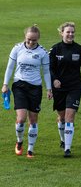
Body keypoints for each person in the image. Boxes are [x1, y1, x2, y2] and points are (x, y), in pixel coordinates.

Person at [2, 25, 53, 158]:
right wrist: (5, 84)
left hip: (35, 88)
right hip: (19, 85)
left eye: (34, 40)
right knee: (21, 118)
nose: (31, 42)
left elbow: (46, 72)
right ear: (25, 37)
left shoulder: (42, 52)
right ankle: (19, 141)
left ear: (38, 39)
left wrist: (49, 88)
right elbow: (10, 67)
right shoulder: (17, 48)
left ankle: (30, 150)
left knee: (33, 119)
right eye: (29, 39)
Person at [49, 22, 81, 157]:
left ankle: (67, 148)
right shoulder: (55, 49)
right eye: (68, 32)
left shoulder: (80, 49)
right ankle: (63, 139)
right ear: (61, 33)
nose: (70, 34)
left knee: (69, 116)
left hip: (74, 87)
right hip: (59, 88)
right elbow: (49, 69)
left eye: (72, 32)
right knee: (61, 117)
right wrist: (54, 80)